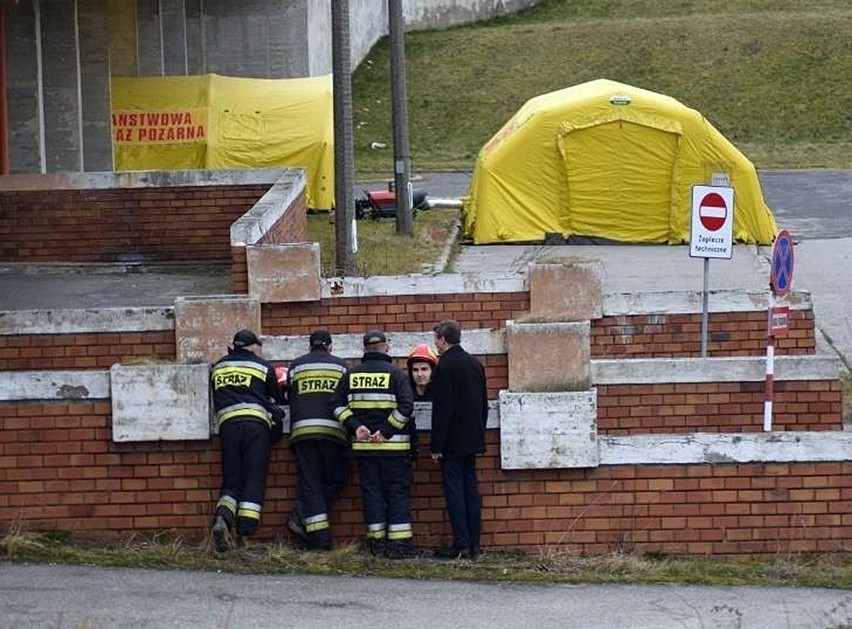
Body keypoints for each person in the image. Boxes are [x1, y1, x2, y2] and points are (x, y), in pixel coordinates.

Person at [331, 330, 418, 559]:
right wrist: (386, 432)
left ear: (364, 350)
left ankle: (376, 544)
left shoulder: (351, 375)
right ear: (386, 347)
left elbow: (337, 405)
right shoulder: (396, 375)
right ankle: (399, 547)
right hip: (395, 449)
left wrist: (355, 426)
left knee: (373, 495)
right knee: (397, 494)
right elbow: (406, 407)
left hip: (365, 449)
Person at [209, 329, 285, 552]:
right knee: (254, 479)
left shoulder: (218, 367)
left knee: (232, 479)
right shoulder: (261, 366)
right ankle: (245, 533)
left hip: (228, 427)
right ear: (252, 346)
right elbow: (277, 397)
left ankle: (223, 518)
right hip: (255, 426)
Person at [429, 319, 489, 560]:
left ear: (444, 340)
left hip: (452, 442)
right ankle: (474, 543)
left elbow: (443, 410)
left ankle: (461, 544)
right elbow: (483, 405)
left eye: (436, 340)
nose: (436, 344)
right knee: (471, 491)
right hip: (472, 439)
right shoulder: (475, 364)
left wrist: (436, 445)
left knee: (455, 492)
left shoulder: (445, 366)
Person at [286, 329, 350, 551]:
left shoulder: (296, 366)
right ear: (330, 346)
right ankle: (320, 538)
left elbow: (289, 394)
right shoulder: (341, 366)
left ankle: (303, 517)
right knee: (336, 478)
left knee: (311, 484)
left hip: (303, 434)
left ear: (310, 346)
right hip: (333, 434)